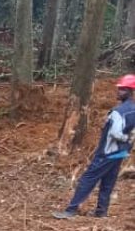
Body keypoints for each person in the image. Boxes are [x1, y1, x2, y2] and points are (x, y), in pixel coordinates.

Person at [53, 75, 135, 219]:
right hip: (121, 153)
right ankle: (101, 211)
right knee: (108, 181)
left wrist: (124, 138)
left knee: (87, 179)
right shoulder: (133, 110)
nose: (118, 91)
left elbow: (115, 133)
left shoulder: (118, 112)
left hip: (107, 152)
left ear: (130, 91)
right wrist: (128, 141)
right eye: (119, 89)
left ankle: (71, 210)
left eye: (122, 89)